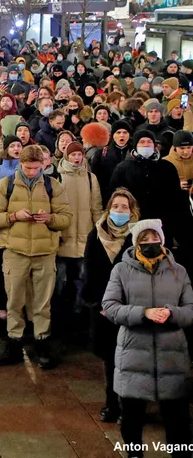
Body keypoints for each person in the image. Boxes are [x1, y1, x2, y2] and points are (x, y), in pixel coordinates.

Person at [102, 219, 193, 457]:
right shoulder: (121, 270)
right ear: (135, 243)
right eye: (144, 240)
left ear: (162, 241)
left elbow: (191, 310)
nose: (150, 243)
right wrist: (143, 313)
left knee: (178, 420)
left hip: (171, 355)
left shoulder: (179, 271)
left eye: (155, 239)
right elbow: (110, 306)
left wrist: (172, 313)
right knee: (132, 418)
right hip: (133, 354)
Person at [0, 145, 72, 369]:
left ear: (43, 165)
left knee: (42, 302)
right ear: (19, 165)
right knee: (14, 300)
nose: (32, 172)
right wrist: (14, 216)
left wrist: (50, 218)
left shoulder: (53, 186)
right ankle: (14, 340)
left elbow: (66, 218)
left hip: (45, 252)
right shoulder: (5, 186)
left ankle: (42, 340)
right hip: (15, 251)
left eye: (36, 168)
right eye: (27, 168)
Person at [81, 188, 139, 424]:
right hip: (104, 308)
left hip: (131, 309)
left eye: (124, 207)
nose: (119, 211)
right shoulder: (95, 235)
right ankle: (111, 403)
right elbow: (90, 272)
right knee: (110, 360)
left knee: (132, 359)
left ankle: (132, 405)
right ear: (108, 209)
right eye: (116, 207)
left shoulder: (138, 236)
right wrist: (98, 304)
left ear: (132, 211)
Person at [54, 141, 103, 338]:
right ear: (66, 156)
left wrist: (98, 233)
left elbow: (96, 208)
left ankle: (78, 318)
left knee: (82, 280)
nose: (77, 158)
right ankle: (59, 318)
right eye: (73, 155)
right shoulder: (57, 177)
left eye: (79, 154)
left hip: (85, 237)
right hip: (63, 238)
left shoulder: (91, 178)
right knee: (60, 280)